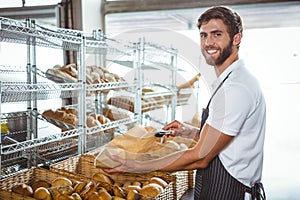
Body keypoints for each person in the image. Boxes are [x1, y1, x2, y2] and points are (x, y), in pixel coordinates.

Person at [104, 5, 266, 200]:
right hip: (217, 186)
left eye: (217, 34)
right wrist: (188, 132)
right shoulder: (229, 81)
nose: (208, 42)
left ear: (236, 38)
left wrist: (137, 166)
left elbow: (200, 157)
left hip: (230, 191)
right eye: (204, 35)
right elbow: (222, 141)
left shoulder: (235, 88)